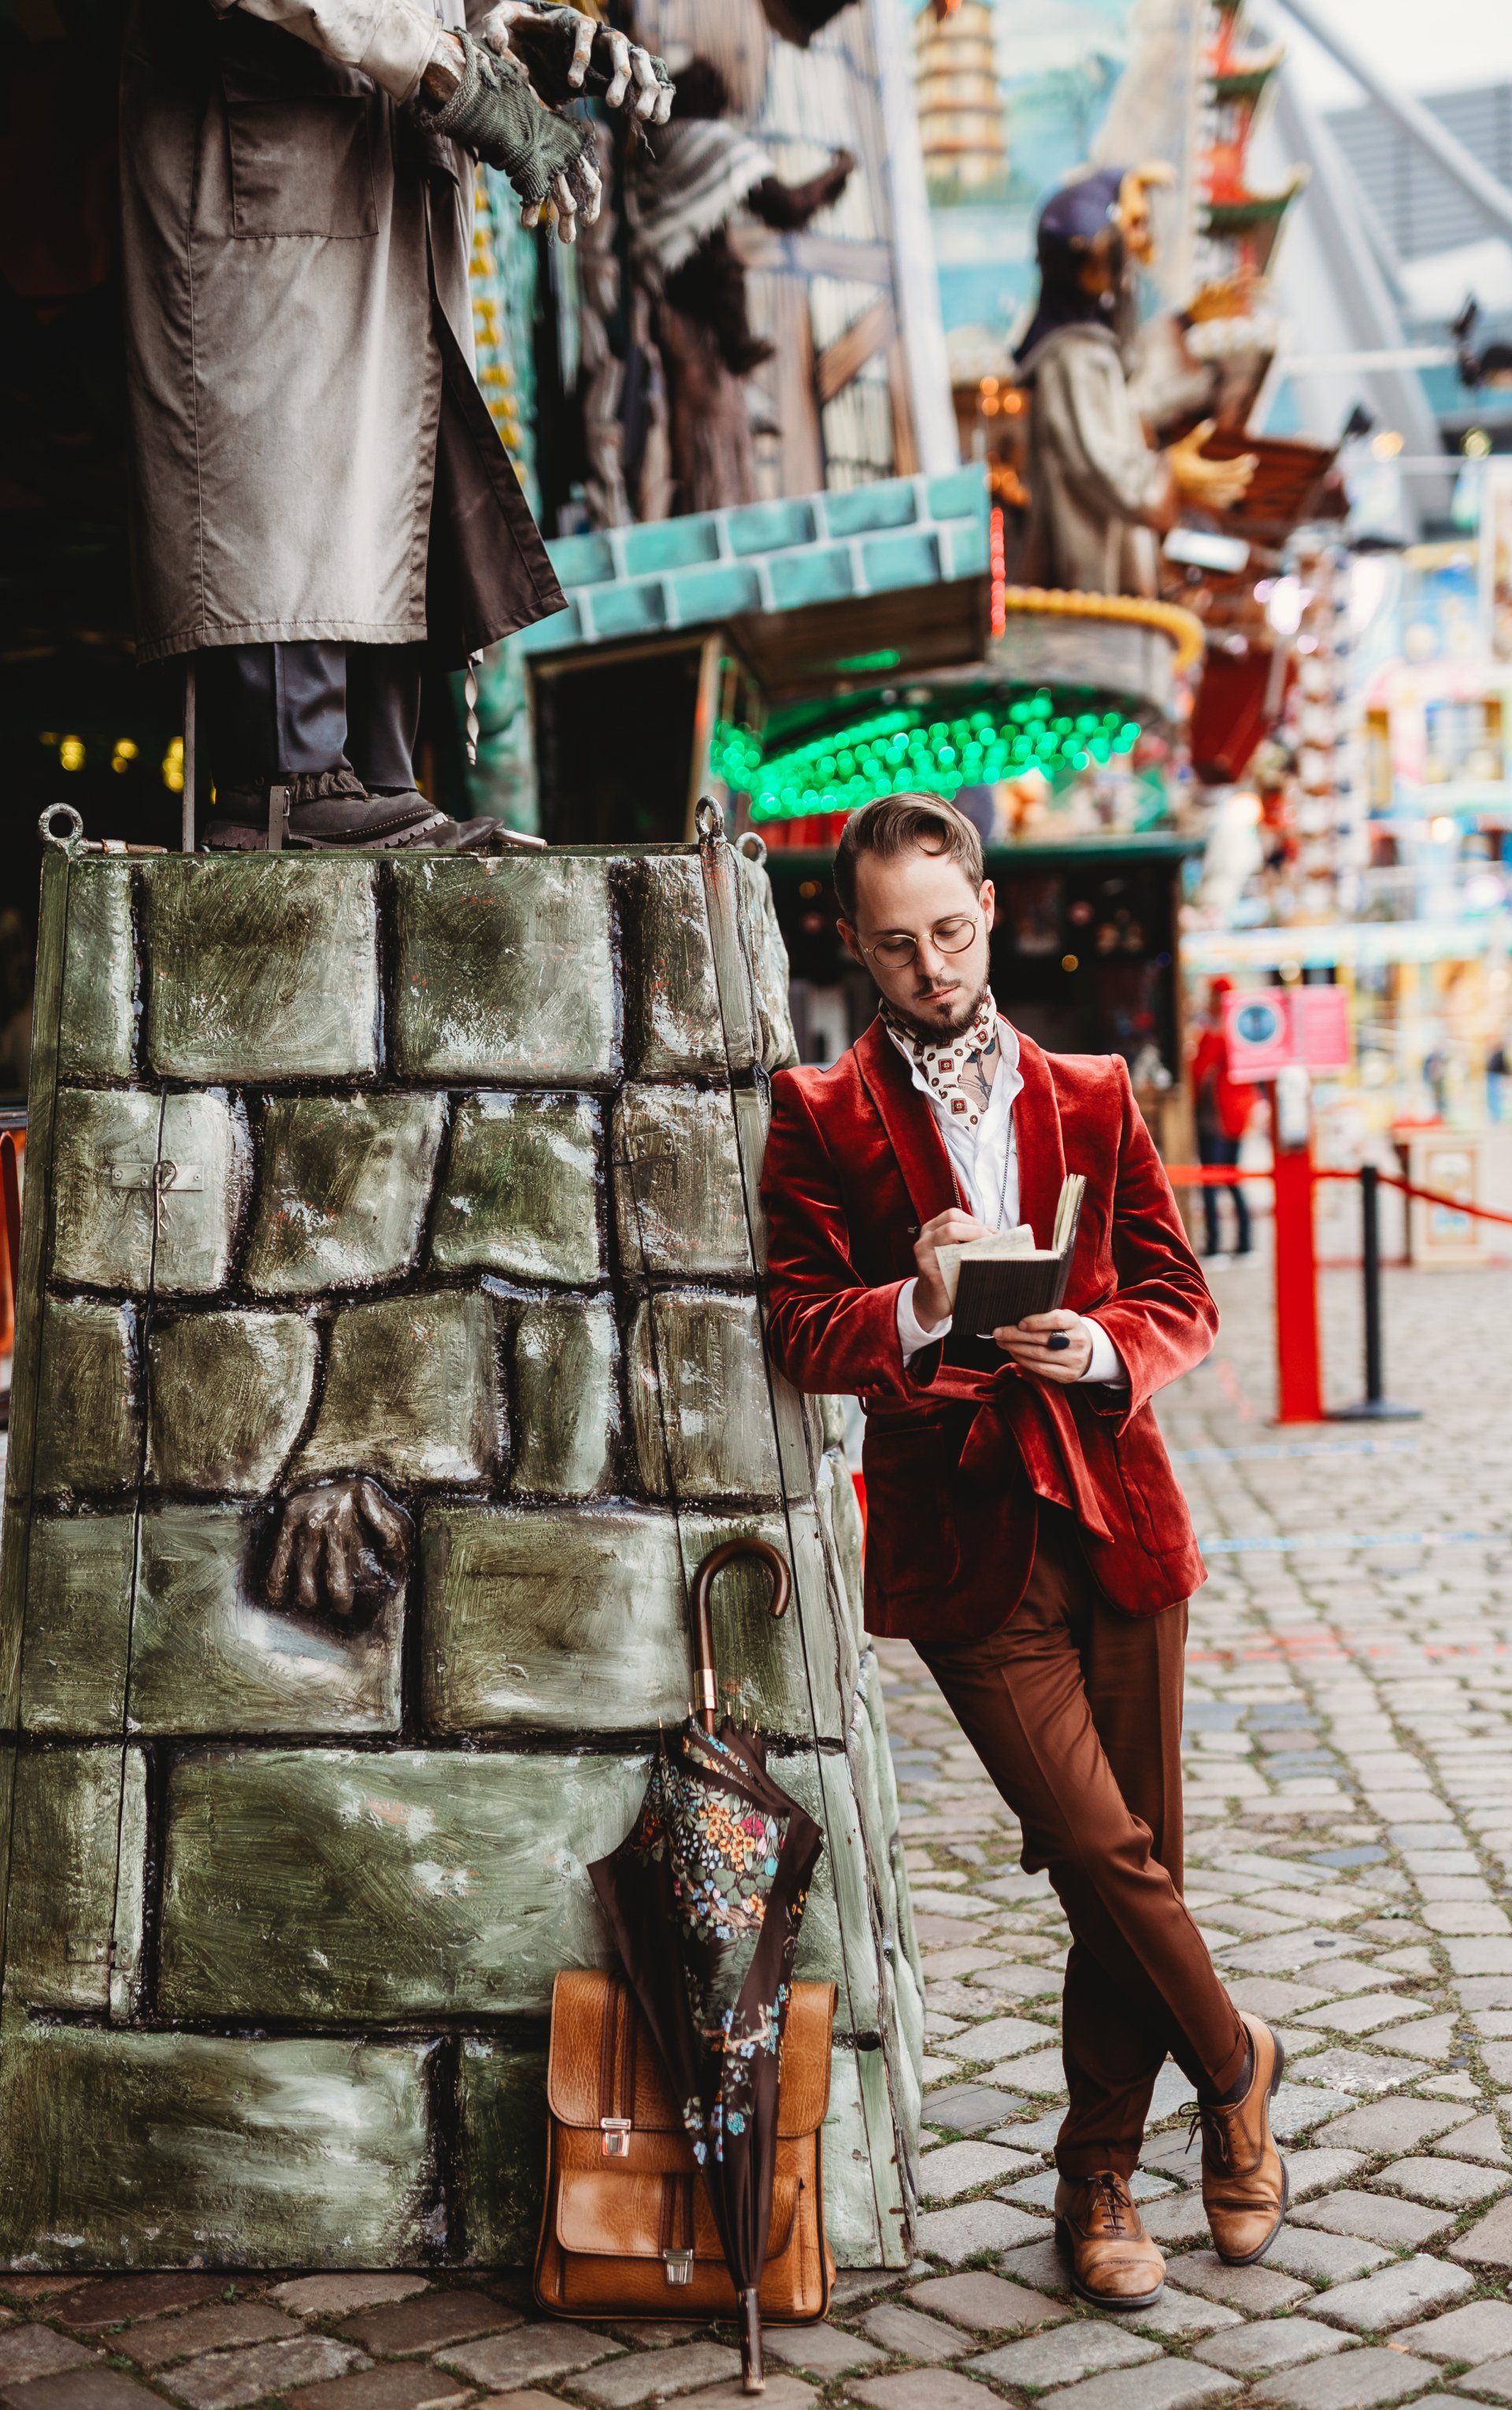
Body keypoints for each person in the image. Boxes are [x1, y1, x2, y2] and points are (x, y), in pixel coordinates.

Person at [758, 793, 1286, 2311]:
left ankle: (1098, 2180)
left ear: (985, 909)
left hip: (1120, 1508)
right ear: (851, 947)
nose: (930, 962)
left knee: (1140, 1862)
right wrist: (916, 1308)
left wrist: (1105, 1343)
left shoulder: (1097, 1089)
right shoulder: (823, 1116)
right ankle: (1238, 2066)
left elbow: (1181, 1293)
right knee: (1091, 1845)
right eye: (896, 943)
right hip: (960, 1537)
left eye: (949, 928)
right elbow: (800, 1327)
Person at [120, 0, 669, 849]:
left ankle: (373, 777)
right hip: (265, 158)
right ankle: (291, 779)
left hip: (386, 167)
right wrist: (453, 70)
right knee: (287, 456)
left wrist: (502, 33)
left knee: (383, 467)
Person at [1016, 167, 1255, 598]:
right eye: (1133, 225)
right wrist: (1167, 475)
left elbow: (1133, 393)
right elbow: (1104, 466)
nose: (1142, 242)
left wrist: (1186, 321)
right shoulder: (1071, 359)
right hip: (1091, 584)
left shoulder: (1091, 353)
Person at [1190, 978, 1257, 1259]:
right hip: (1235, 1118)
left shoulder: (1215, 1034)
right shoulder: (1242, 1033)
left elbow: (1198, 1072)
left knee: (1212, 1180)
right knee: (1232, 1177)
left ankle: (1216, 1243)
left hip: (1215, 1118)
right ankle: (1244, 1241)